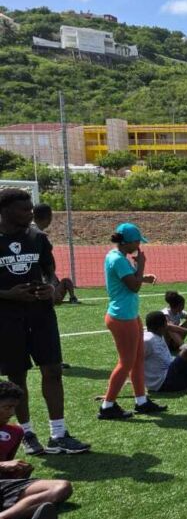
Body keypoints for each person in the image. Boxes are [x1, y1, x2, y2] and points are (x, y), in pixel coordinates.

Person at [0, 189, 89, 455]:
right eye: (24, 210)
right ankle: (27, 433)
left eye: (30, 209)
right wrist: (8, 294)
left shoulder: (37, 238)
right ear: (5, 211)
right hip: (6, 318)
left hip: (41, 315)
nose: (31, 214)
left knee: (52, 370)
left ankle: (59, 433)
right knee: (17, 377)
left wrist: (52, 288)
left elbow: (50, 273)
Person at [100, 223, 167, 420]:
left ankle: (141, 401)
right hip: (122, 317)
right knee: (126, 362)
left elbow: (130, 281)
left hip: (129, 315)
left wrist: (142, 276)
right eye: (137, 241)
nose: (139, 245)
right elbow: (133, 287)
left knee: (137, 360)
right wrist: (141, 265)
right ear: (128, 242)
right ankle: (107, 406)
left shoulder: (118, 256)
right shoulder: (118, 259)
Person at [0, 381, 73, 519]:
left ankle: (3, 517)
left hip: (3, 485)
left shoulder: (15, 432)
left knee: (61, 487)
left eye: (14, 407)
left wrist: (18, 472)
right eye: (7, 407)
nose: (11, 412)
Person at [30, 205, 79, 305]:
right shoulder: (37, 235)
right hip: (40, 279)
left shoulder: (29, 232)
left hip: (40, 278)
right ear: (49, 217)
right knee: (52, 299)